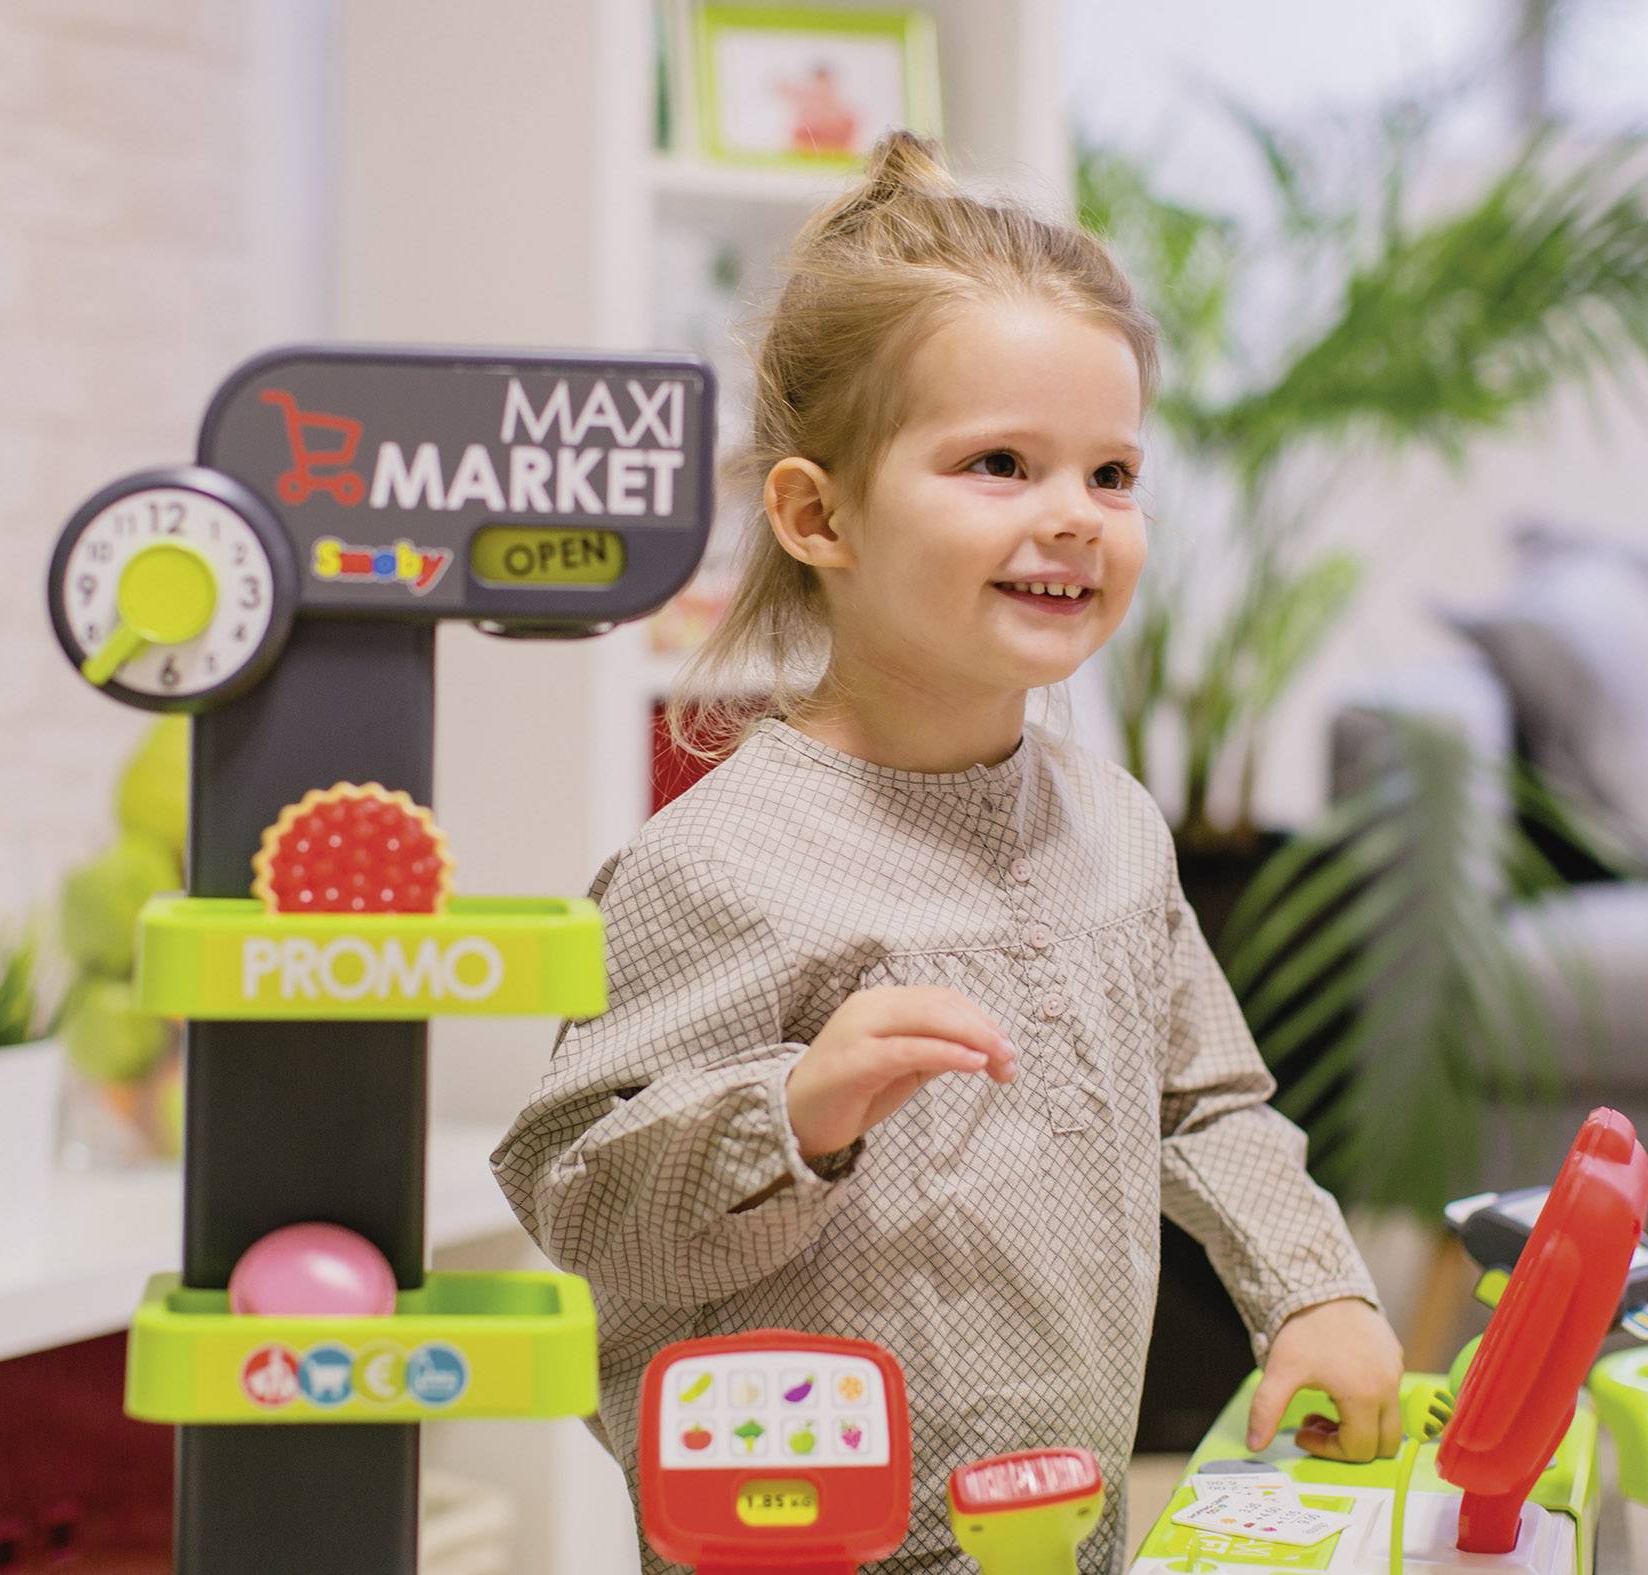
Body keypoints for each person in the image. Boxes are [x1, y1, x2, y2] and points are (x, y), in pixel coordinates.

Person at [494, 128, 1402, 1573]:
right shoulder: (718, 865)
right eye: (998, 463)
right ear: (815, 514)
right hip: (797, 1543)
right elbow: (575, 1196)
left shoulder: (1108, 823)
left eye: (1110, 473)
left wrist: (1313, 1291)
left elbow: (1205, 1102)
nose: (1072, 518)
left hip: (1068, 1517)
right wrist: (791, 1111)